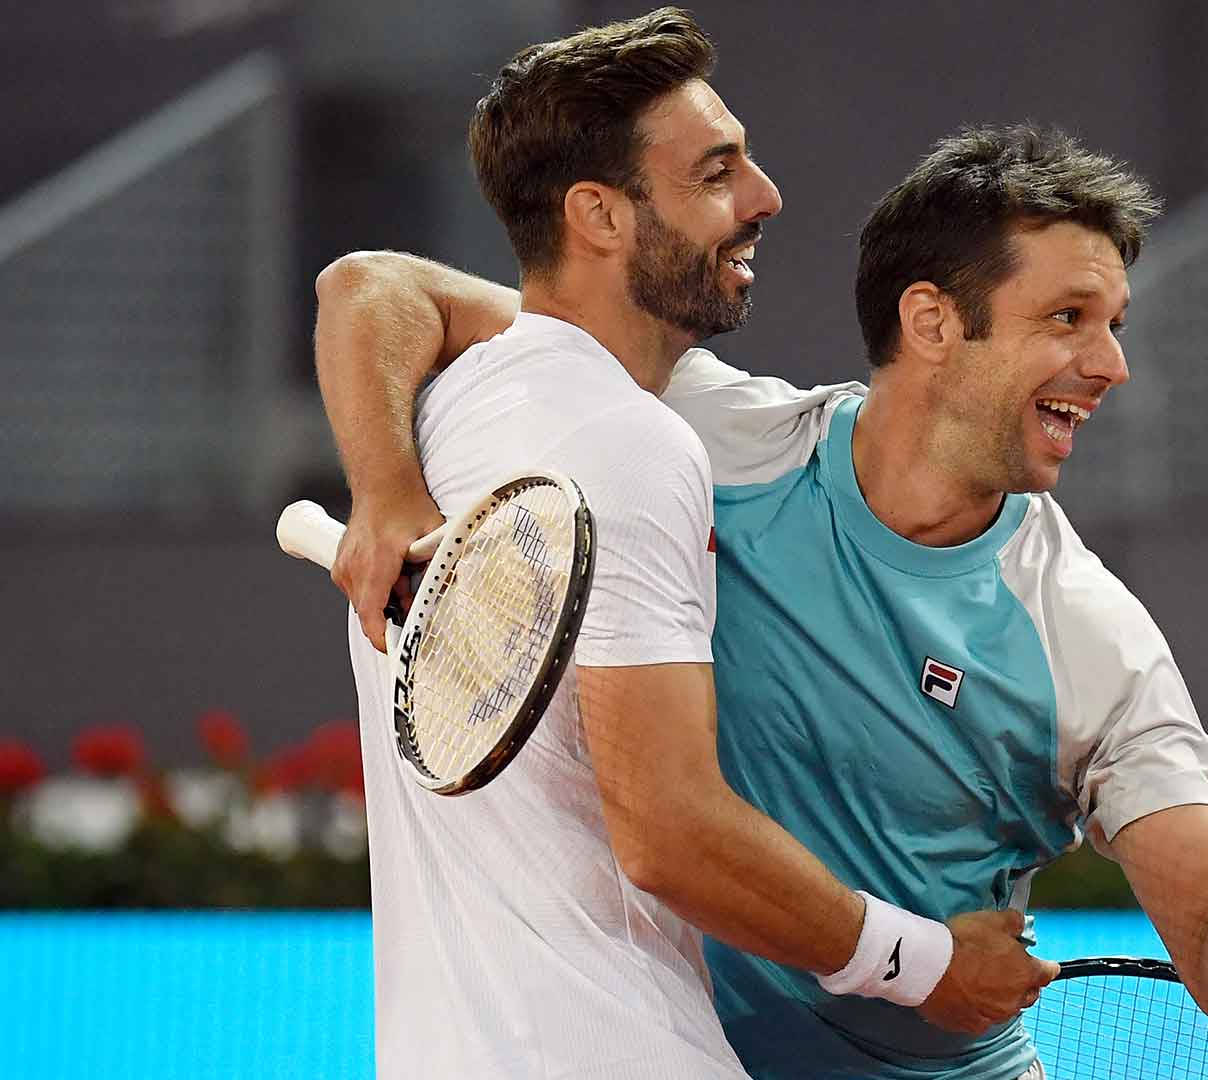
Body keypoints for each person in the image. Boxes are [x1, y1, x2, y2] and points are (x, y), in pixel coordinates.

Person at [320, 124, 1208, 1078]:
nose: (1111, 364)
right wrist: (384, 494)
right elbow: (380, 290)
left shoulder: (1089, 639)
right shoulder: (697, 430)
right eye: (1068, 318)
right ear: (931, 320)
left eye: (1113, 324)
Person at [322, 11, 1056, 1078]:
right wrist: (925, 963)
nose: (765, 197)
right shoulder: (632, 447)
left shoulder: (457, 397)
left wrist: (384, 483)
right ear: (600, 216)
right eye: (717, 174)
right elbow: (668, 832)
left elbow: (363, 282)